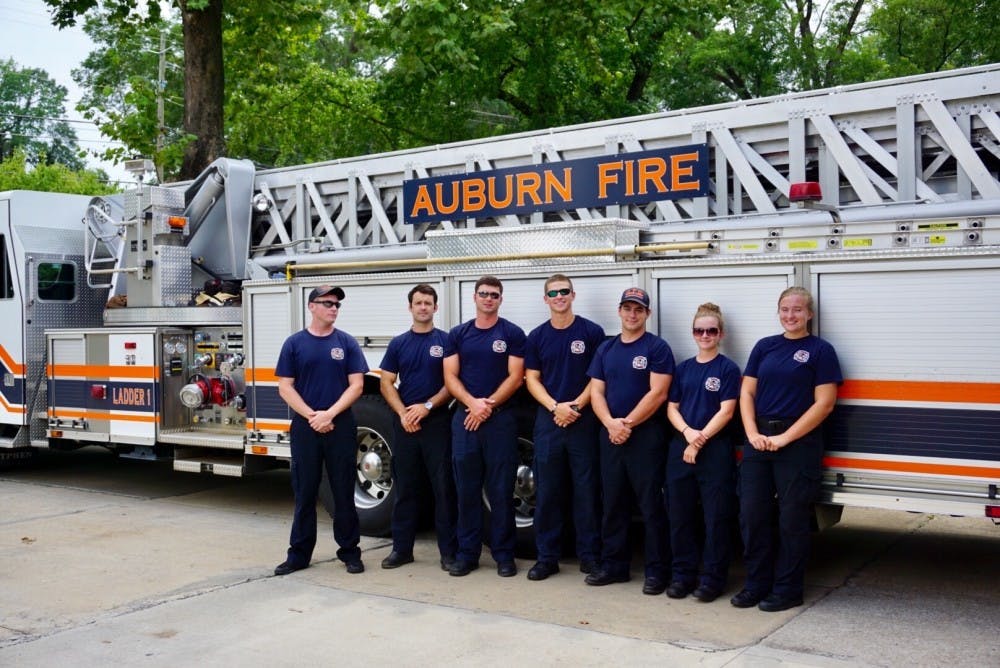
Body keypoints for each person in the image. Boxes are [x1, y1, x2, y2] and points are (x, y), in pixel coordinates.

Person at [731, 286, 842, 612]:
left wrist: (785, 438)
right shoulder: (765, 347)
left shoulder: (821, 351)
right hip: (758, 442)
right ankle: (756, 584)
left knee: (792, 520)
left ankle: (788, 589)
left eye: (797, 310)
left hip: (798, 445)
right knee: (752, 515)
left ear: (809, 314)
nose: (790, 315)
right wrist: (751, 432)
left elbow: (824, 404)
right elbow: (746, 394)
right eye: (784, 309)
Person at [273, 285, 368, 576]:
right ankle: (298, 555)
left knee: (343, 491)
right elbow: (285, 387)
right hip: (306, 426)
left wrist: (329, 414)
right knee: (305, 492)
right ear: (311, 306)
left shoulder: (346, 343)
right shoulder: (294, 344)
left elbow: (357, 385)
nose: (334, 308)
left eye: (337, 304)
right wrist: (312, 415)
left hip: (339, 425)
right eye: (327, 303)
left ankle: (350, 552)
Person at [585, 287, 674, 595]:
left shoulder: (657, 348)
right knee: (613, 504)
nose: (632, 314)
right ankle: (614, 567)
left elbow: (658, 393)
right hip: (610, 434)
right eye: (627, 308)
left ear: (647, 313)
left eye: (638, 309)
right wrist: (611, 423)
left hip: (644, 436)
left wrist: (628, 424)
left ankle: (657, 572)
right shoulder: (606, 349)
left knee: (650, 505)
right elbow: (596, 391)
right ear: (619, 311)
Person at [443, 275, 527, 577]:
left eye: (494, 295)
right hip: (465, 419)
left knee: (501, 490)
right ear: (475, 298)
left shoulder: (513, 333)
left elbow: (515, 377)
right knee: (466, 491)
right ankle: (468, 554)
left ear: (500, 300)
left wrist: (487, 405)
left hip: (500, 420)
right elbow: (450, 376)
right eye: (483, 294)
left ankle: (504, 555)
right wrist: (473, 404)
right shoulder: (458, 334)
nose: (488, 299)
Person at [523, 274, 605, 580]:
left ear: (573, 295)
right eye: (553, 292)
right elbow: (531, 378)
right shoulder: (537, 337)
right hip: (549, 422)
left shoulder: (591, 332)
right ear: (546, 299)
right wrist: (554, 407)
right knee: (547, 492)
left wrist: (575, 406)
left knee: (586, 492)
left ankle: (590, 557)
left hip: (583, 421)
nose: (559, 296)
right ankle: (547, 558)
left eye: (564, 291)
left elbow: (598, 379)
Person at [664, 303, 740, 602]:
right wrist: (687, 435)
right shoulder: (683, 369)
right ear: (693, 333)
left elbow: (727, 410)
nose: (705, 335)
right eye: (699, 330)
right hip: (681, 449)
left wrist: (699, 440)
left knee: (716, 518)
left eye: (711, 330)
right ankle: (683, 576)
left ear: (720, 334)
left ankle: (712, 579)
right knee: (680, 517)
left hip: (714, 451)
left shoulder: (728, 369)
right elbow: (672, 408)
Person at [379, 284, 458, 571]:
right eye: (418, 303)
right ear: (410, 308)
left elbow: (452, 385)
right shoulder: (398, 343)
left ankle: (448, 553)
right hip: (405, 425)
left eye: (428, 303)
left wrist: (426, 407)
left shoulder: (447, 342)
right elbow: (386, 382)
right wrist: (403, 413)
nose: (423, 307)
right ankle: (402, 550)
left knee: (444, 489)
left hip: (437, 422)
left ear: (436, 308)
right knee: (406, 489)